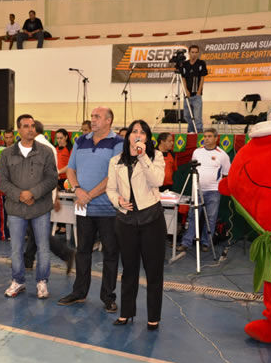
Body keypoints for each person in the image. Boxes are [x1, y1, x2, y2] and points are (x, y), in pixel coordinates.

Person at [58, 107, 123, 312]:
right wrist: (77, 189)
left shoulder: (118, 143)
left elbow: (114, 175)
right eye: (92, 117)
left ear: (108, 121)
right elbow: (70, 169)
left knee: (111, 254)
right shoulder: (80, 141)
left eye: (97, 117)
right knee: (82, 251)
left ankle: (108, 297)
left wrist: (89, 195)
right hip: (83, 207)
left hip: (108, 210)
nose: (93, 120)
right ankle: (79, 292)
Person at [106, 120, 166, 330]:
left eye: (142, 132)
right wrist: (118, 201)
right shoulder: (116, 161)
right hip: (126, 221)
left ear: (147, 137)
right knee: (129, 270)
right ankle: (126, 312)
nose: (137, 135)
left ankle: (153, 317)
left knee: (153, 271)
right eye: (134, 131)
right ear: (128, 136)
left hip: (152, 220)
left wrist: (142, 156)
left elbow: (157, 180)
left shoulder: (155, 156)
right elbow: (110, 189)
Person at [0, 114, 58, 298]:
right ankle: (18, 281)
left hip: (40, 208)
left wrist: (33, 193)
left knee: (43, 247)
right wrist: (20, 195)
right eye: (26, 126)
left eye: (32, 126)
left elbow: (52, 178)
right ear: (19, 130)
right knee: (16, 248)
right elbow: (2, 181)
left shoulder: (46, 152)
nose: (30, 129)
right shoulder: (7, 154)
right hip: (16, 209)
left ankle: (42, 282)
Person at [24, 121, 76, 275]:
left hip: (36, 195)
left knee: (37, 230)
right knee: (33, 229)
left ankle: (66, 253)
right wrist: (55, 196)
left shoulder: (35, 147)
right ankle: (28, 260)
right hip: (44, 194)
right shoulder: (50, 147)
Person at [178, 128, 230, 253]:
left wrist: (218, 187)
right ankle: (186, 242)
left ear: (216, 138)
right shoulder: (197, 152)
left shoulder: (222, 155)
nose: (206, 138)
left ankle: (206, 243)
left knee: (211, 218)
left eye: (209, 136)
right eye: (205, 136)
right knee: (192, 216)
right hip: (197, 189)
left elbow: (226, 174)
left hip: (214, 191)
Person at [181, 45, 208, 133]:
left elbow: (203, 77)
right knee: (187, 115)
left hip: (196, 95)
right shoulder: (185, 64)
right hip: (187, 95)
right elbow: (183, 78)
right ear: (189, 53)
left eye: (196, 52)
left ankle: (199, 133)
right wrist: (186, 91)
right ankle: (191, 132)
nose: (194, 54)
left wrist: (199, 91)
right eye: (192, 52)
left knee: (197, 116)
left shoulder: (201, 63)